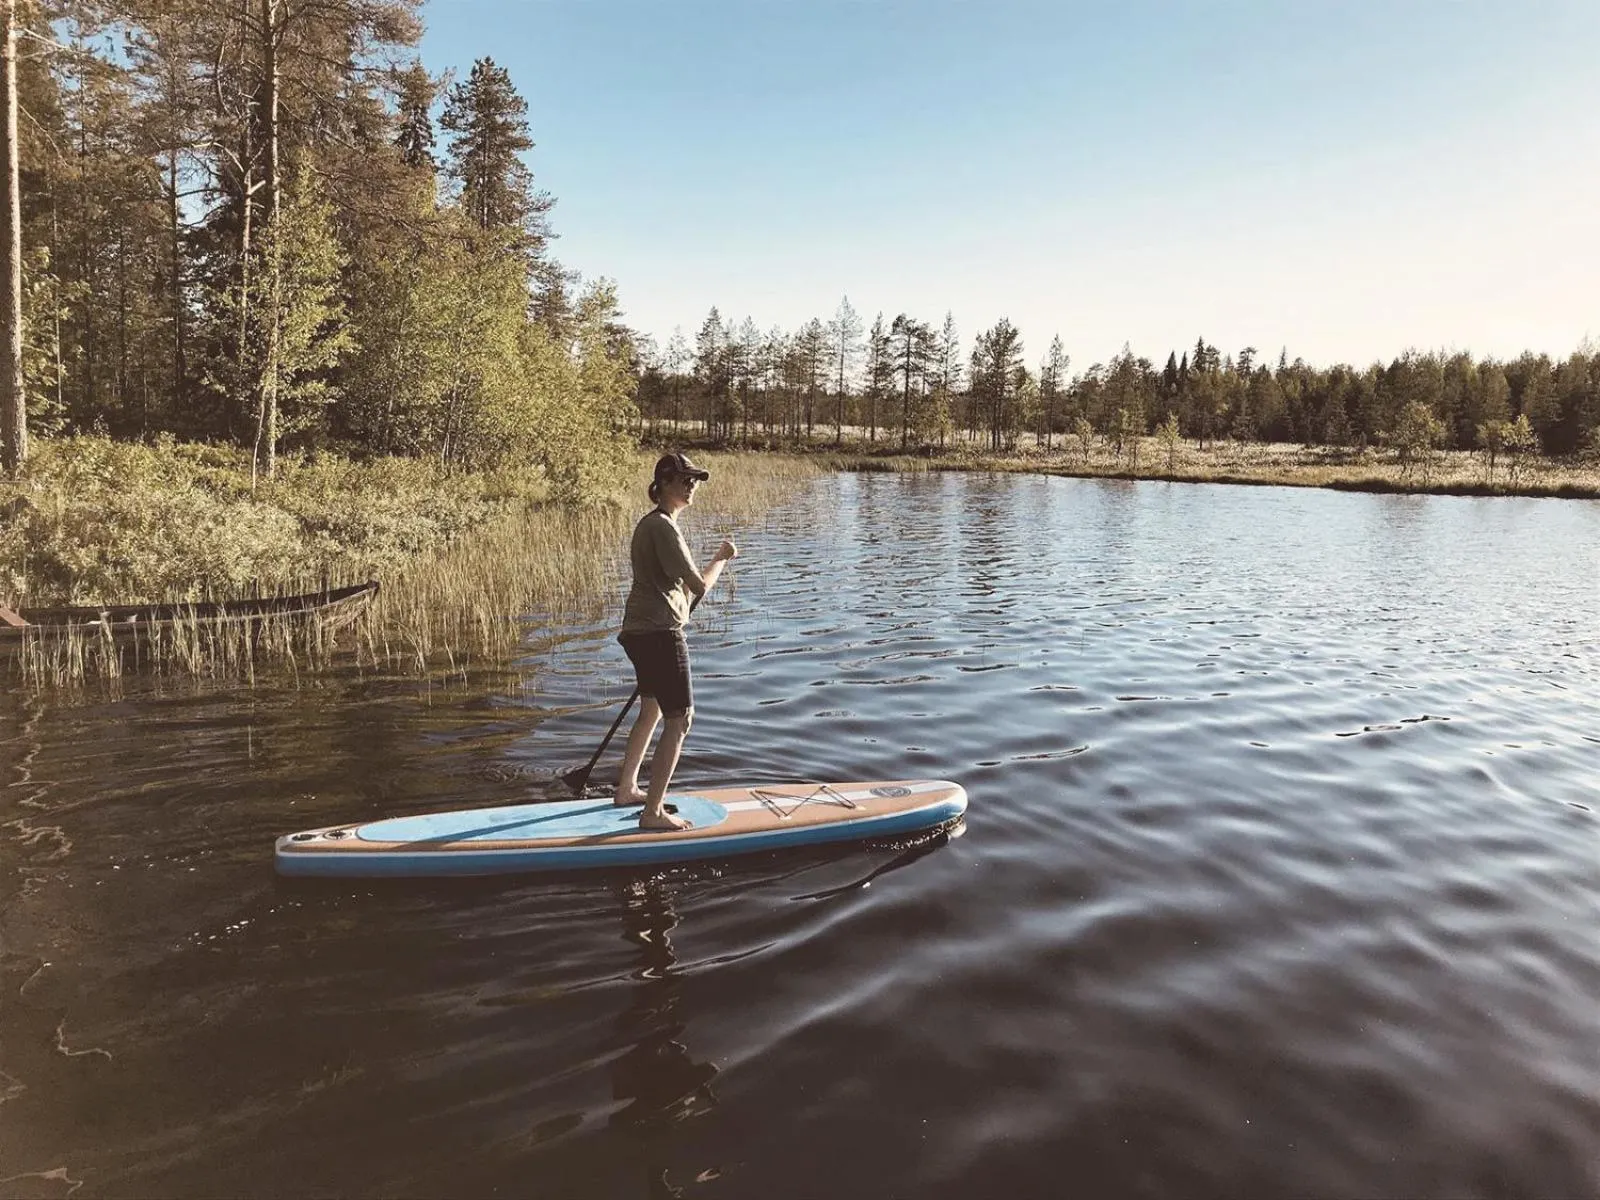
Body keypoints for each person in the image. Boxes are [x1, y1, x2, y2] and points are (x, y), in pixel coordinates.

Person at [615, 452, 738, 831]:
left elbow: (681, 587)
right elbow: (699, 586)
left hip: (639, 632)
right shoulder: (663, 527)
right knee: (681, 718)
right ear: (664, 483)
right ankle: (652, 813)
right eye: (684, 479)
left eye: (694, 480)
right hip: (659, 633)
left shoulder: (651, 524)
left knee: (652, 710)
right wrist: (721, 557)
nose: (691, 485)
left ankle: (627, 789)